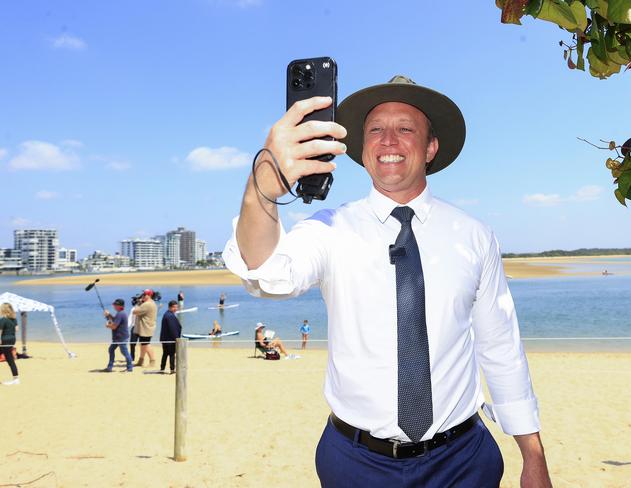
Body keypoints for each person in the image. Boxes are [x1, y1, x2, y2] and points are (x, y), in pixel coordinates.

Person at [223, 76, 551, 487]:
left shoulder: (474, 235)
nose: (389, 140)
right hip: (356, 463)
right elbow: (266, 273)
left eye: (405, 128)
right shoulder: (330, 228)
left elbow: (500, 346)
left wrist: (532, 455)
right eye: (376, 129)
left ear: (430, 148)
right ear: (362, 149)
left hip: (463, 462)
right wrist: (262, 189)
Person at [102, 299, 133, 372]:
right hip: (117, 338)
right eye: (114, 305)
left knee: (124, 352)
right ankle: (110, 367)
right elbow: (114, 320)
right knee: (111, 349)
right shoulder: (120, 313)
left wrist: (107, 326)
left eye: (115, 305)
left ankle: (129, 368)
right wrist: (108, 315)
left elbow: (114, 326)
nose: (114, 306)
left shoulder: (120, 314)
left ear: (119, 306)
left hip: (121, 337)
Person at [131, 289, 158, 367]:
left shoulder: (147, 304)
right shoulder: (151, 303)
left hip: (146, 328)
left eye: (144, 295)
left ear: (148, 295)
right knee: (143, 344)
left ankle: (152, 361)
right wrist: (141, 302)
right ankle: (141, 360)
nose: (142, 296)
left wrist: (138, 303)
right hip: (147, 327)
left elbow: (135, 311)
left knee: (146, 344)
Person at [160, 300, 182, 374]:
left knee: (165, 354)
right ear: (170, 307)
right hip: (170, 339)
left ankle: (162, 368)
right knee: (172, 354)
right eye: (174, 307)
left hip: (165, 338)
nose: (176, 309)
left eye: (176, 307)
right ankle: (172, 370)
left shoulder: (167, 314)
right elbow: (173, 329)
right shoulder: (170, 316)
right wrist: (177, 339)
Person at [0, 303, 19, 386]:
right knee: (10, 360)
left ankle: (16, 380)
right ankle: (16, 379)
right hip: (12, 340)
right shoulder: (14, 319)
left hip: (4, 341)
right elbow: (17, 329)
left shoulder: (3, 319)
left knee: (10, 360)